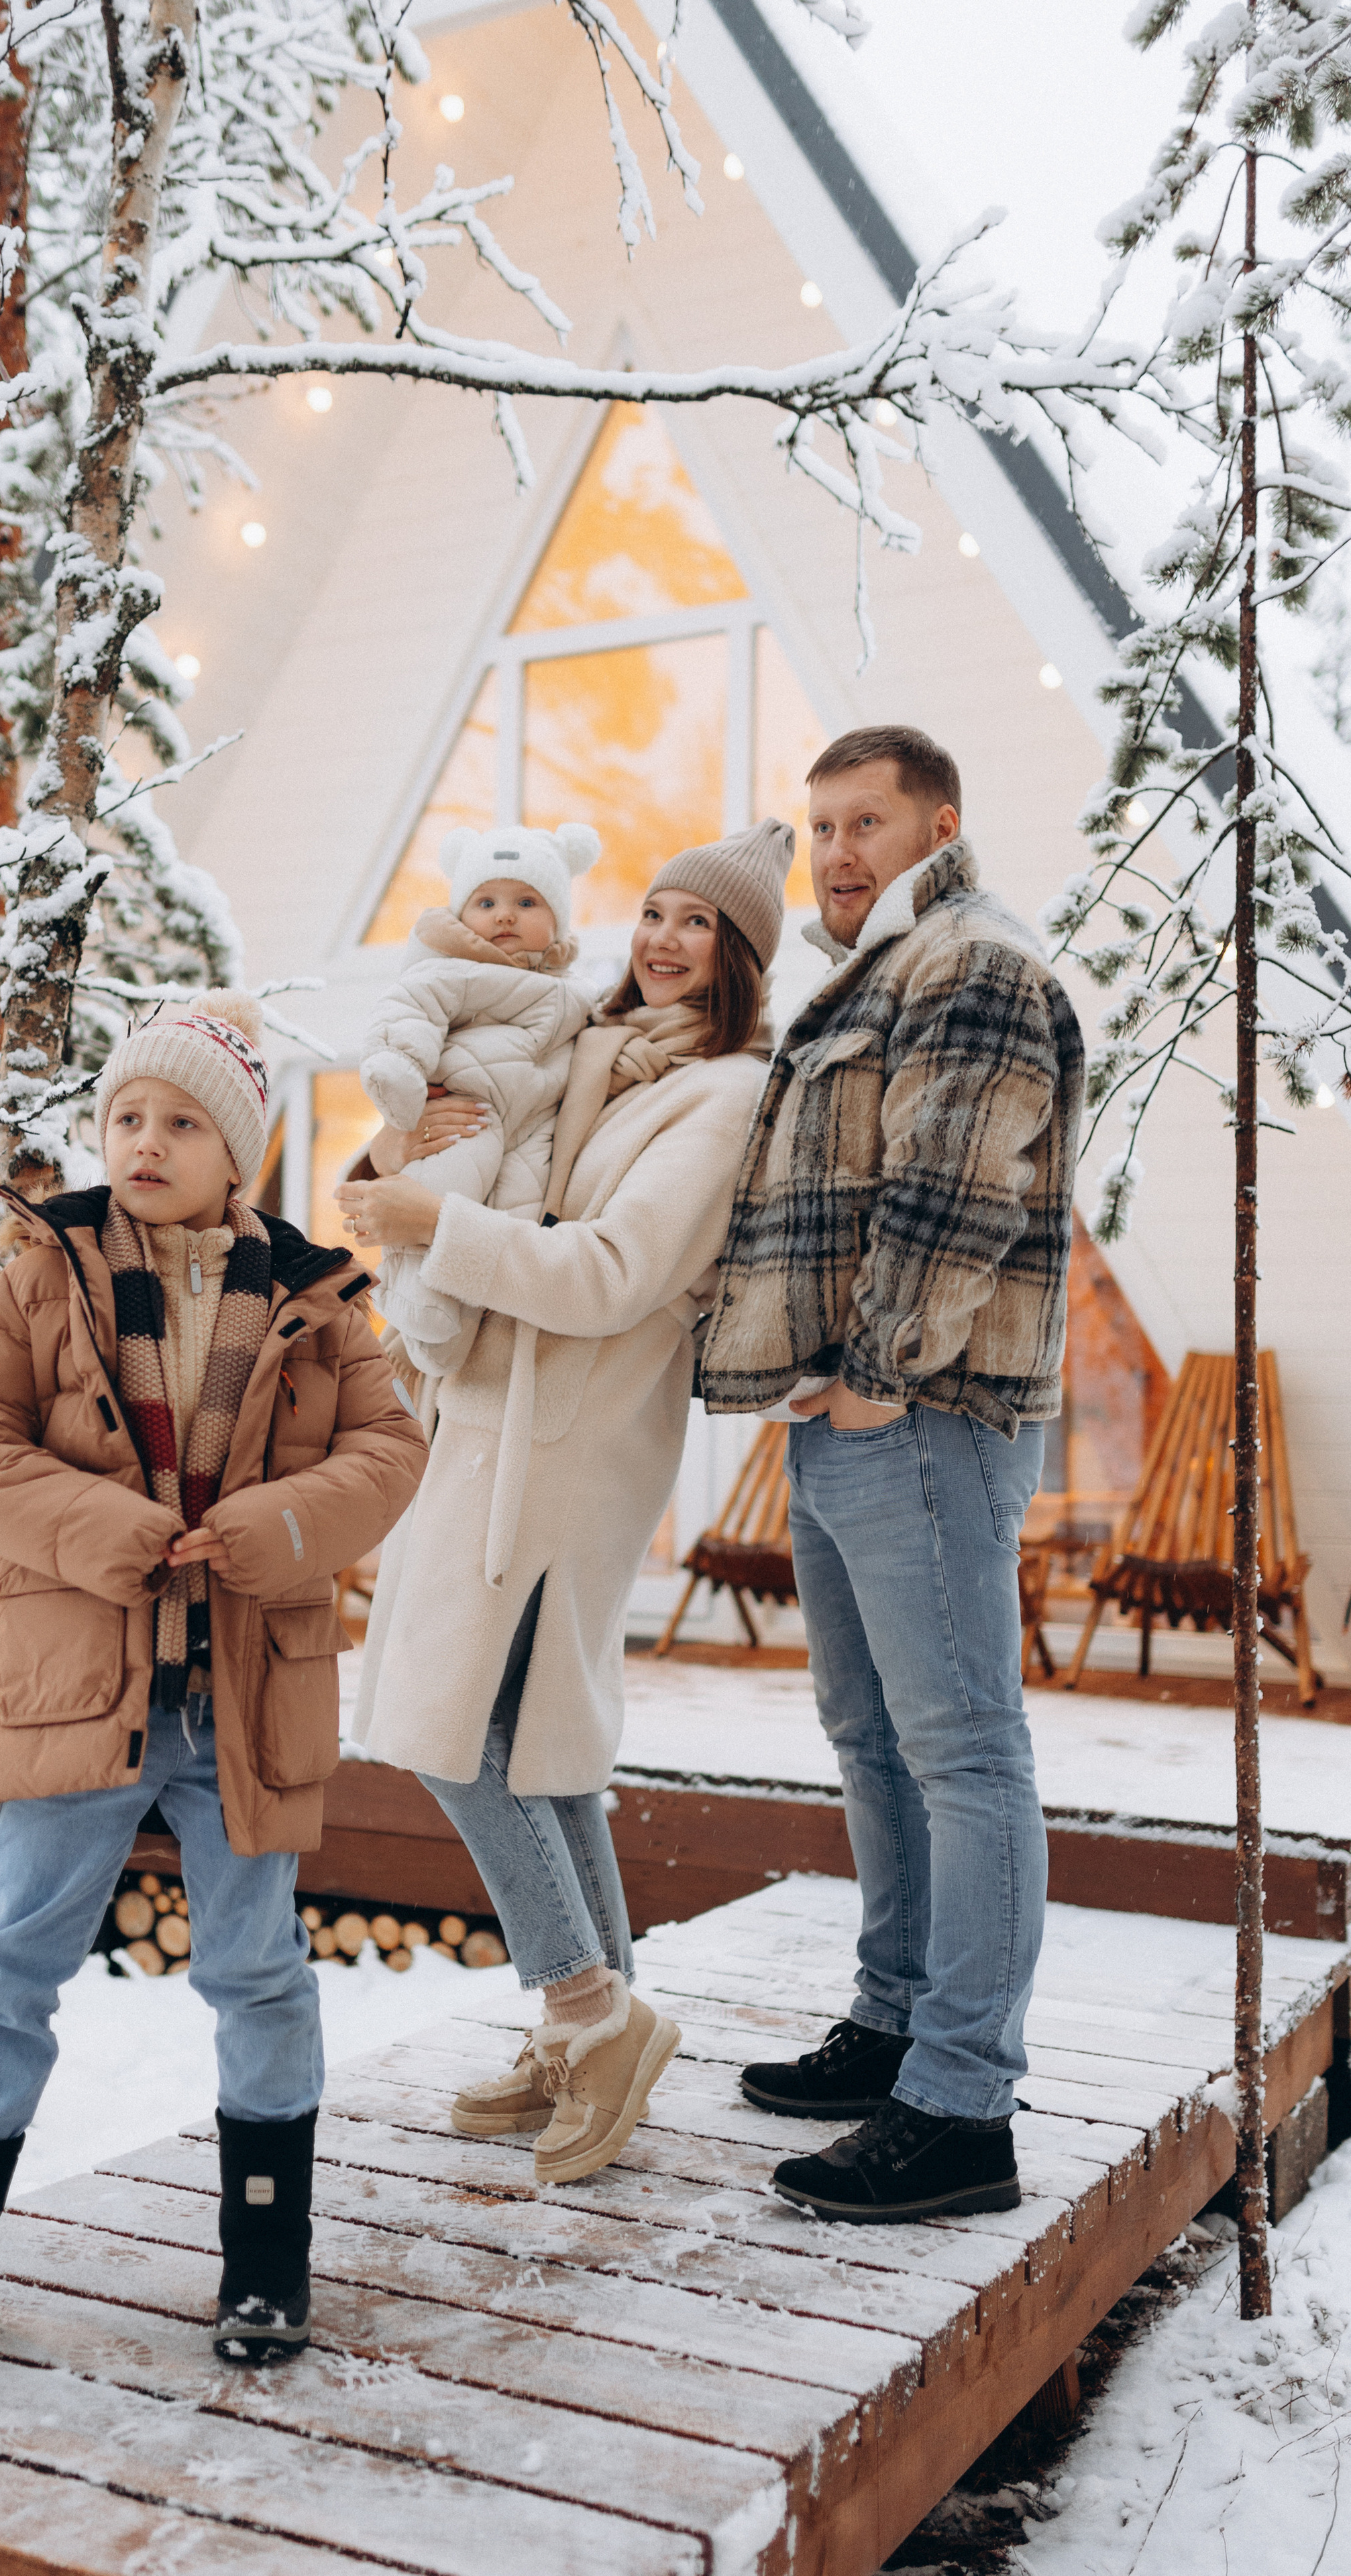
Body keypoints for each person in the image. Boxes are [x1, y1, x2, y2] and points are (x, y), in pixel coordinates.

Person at [0, 994, 426, 2387]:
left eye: (183, 1120)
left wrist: (277, 1529)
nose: (147, 1140)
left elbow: (388, 1453)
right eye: (129, 1114)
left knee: (255, 1970)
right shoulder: (45, 1270)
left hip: (246, 1692)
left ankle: (266, 2252)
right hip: (81, 1680)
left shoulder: (319, 1300)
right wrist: (101, 1526)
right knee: (10, 1963)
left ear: (236, 1153)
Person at [339, 820, 791, 2187]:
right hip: (479, 1421)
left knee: (450, 1734)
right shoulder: (583, 1046)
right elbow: (463, 1133)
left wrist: (434, 1231)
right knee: (540, 1746)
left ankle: (593, 2010)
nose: (659, 940)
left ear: (737, 958)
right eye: (650, 912)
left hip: (573, 1443)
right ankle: (582, 2025)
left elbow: (608, 1271)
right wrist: (404, 1149)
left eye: (694, 924)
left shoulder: (722, 1099)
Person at [698, 725, 1084, 2225]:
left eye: (866, 822)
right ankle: (895, 2020)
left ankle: (959, 2105)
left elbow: (952, 1184)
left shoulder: (971, 961)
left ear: (939, 819)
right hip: (846, 1416)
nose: (838, 853)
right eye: (820, 829)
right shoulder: (872, 974)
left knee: (961, 1751)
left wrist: (872, 1374)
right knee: (868, 1736)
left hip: (919, 1411)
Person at [359, 821, 597, 1373]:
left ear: (558, 917)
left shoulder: (576, 990)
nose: (505, 915)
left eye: (527, 901)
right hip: (469, 1110)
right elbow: (409, 1009)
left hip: (536, 1125)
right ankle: (416, 1297)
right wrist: (401, 1069)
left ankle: (453, 1336)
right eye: (486, 900)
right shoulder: (453, 969)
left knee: (516, 1211)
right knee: (449, 1184)